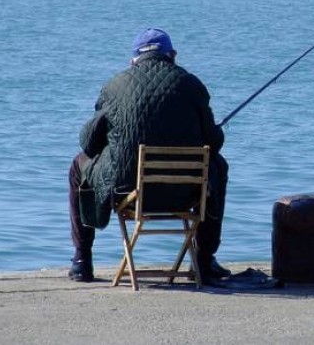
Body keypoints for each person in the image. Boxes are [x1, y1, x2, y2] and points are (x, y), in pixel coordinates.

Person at [68, 28, 231, 283]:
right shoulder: (192, 85)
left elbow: (89, 144)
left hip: (128, 191)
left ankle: (81, 261)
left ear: (133, 60)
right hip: (185, 193)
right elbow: (215, 142)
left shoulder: (114, 86)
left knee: (78, 166)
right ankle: (203, 260)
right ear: (172, 55)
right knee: (217, 165)